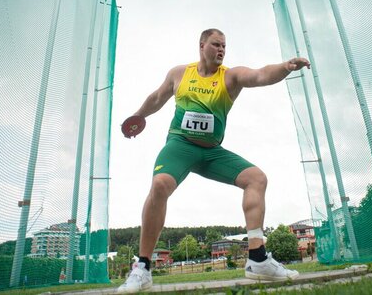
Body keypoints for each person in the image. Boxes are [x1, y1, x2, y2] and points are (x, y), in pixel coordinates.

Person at [117, 28, 310, 293]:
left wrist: (285, 67)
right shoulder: (179, 73)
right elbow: (157, 97)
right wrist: (139, 116)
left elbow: (260, 75)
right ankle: (143, 268)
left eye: (224, 46)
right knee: (160, 185)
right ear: (202, 45)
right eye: (216, 45)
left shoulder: (231, 76)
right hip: (180, 147)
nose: (221, 50)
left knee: (256, 179)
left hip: (211, 153)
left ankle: (257, 259)